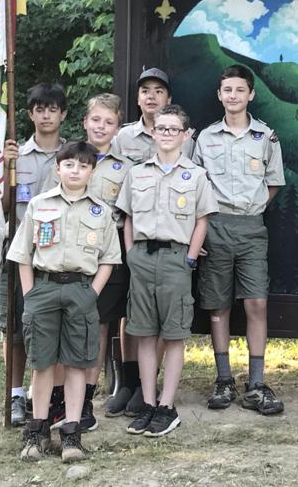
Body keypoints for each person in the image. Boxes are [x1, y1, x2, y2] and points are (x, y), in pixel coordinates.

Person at [7, 141, 121, 463]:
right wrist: (30, 295)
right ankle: (37, 431)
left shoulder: (100, 211)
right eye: (69, 165)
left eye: (83, 166)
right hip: (43, 289)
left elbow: (110, 258)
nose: (75, 170)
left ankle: (71, 434)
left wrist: (92, 293)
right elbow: (22, 255)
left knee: (76, 364)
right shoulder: (39, 205)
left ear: (92, 171)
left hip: (80, 291)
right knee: (42, 363)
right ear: (58, 168)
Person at [116, 104, 217, 437]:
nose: (167, 134)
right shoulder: (138, 172)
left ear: (186, 135)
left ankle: (167, 406)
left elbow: (202, 219)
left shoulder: (196, 175)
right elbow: (128, 216)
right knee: (144, 332)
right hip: (142, 258)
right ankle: (147, 403)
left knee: (173, 335)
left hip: (176, 260)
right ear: (153, 132)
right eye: (161, 128)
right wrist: (131, 253)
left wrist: (189, 258)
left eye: (174, 129)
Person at [192, 65, 286, 415]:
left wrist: (254, 206)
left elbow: (273, 182)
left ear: (251, 95)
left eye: (239, 90)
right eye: (227, 90)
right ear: (219, 95)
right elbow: (195, 184)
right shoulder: (206, 137)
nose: (233, 96)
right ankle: (223, 379)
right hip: (215, 225)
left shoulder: (265, 137)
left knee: (256, 303)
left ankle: (257, 382)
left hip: (251, 226)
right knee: (218, 307)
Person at [42, 94, 133, 431]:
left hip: (107, 258)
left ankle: (86, 404)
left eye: (109, 122)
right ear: (84, 121)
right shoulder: (67, 159)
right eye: (96, 120)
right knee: (64, 328)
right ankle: (57, 401)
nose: (101, 127)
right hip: (67, 259)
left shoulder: (125, 169)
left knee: (97, 329)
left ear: (118, 127)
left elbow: (128, 215)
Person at [110, 66, 193, 417]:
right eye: (145, 90)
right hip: (127, 236)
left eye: (159, 90)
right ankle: (128, 382)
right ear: (138, 98)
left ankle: (152, 385)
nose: (151, 96)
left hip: (169, 244)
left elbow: (194, 190)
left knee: (162, 315)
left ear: (168, 99)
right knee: (129, 313)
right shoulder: (123, 138)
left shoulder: (184, 136)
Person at [0, 83, 67, 426]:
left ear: (63, 114)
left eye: (52, 109)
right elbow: (4, 206)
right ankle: (15, 396)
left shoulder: (72, 156)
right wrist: (6, 169)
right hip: (20, 255)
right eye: (39, 109)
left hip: (58, 261)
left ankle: (45, 397)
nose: (45, 115)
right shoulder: (16, 156)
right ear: (30, 114)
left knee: (52, 330)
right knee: (16, 330)